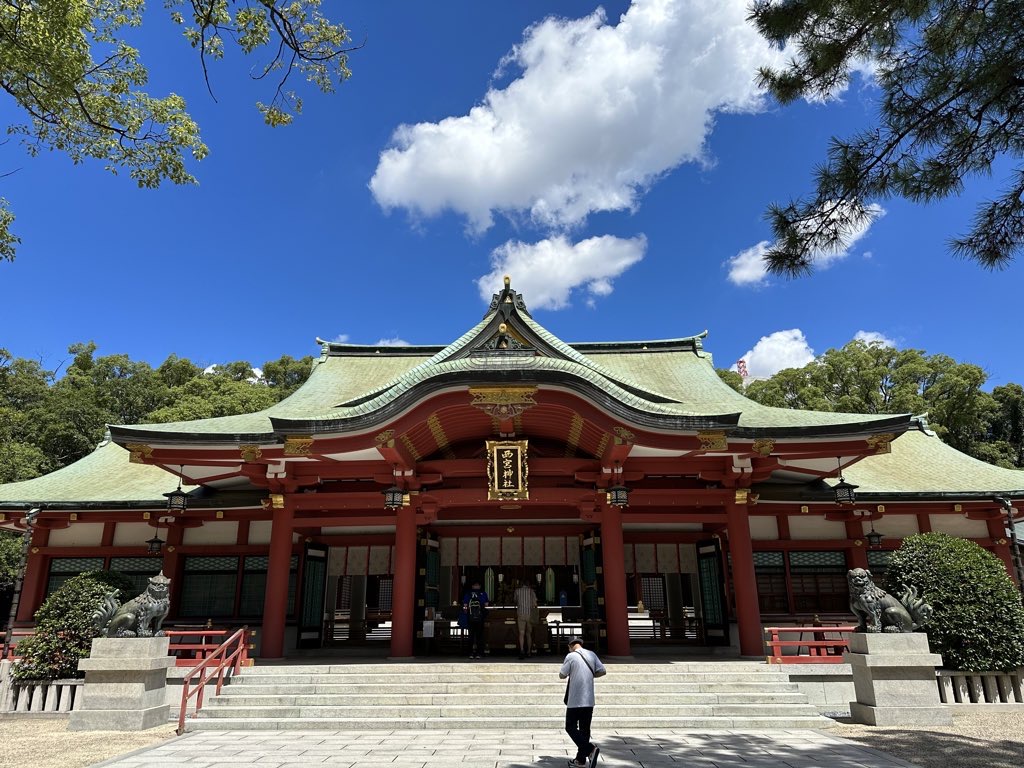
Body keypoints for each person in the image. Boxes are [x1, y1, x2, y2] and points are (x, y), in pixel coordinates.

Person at [559, 636, 606, 768]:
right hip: (589, 699)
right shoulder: (591, 654)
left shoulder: (571, 656)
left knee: (570, 727)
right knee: (585, 729)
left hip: (575, 699)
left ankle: (590, 749)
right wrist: (590, 675)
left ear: (570, 646)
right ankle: (581, 760)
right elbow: (602, 671)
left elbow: (562, 674)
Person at [461, 580, 488, 659]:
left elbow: (465, 606)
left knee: (471, 635)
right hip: (480, 617)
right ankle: (479, 653)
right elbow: (486, 605)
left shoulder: (468, 594)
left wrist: (467, 613)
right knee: (480, 635)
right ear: (480, 586)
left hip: (470, 618)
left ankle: (470, 653)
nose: (476, 587)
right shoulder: (483, 594)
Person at [514, 580, 538, 659]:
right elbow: (535, 604)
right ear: (528, 585)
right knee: (528, 634)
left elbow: (515, 601)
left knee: (521, 633)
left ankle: (521, 650)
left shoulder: (517, 591)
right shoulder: (531, 592)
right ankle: (529, 651)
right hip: (530, 614)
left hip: (520, 614)